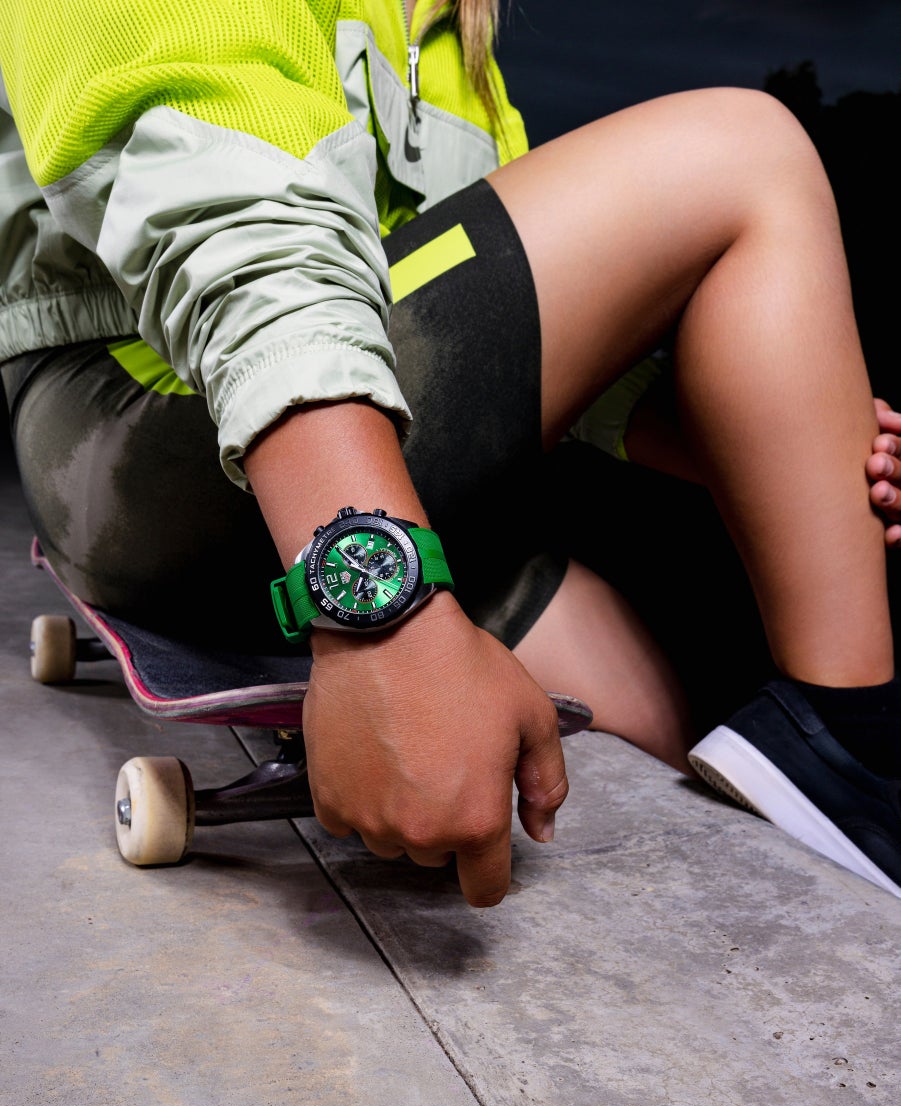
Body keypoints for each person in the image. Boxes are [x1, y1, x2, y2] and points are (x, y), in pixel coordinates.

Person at [1, 0, 900, 903]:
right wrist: (383, 626)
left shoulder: (454, 27)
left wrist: (779, 425)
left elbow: (502, 329)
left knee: (649, 729)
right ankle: (854, 735)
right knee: (743, 151)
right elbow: (236, 231)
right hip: (149, 422)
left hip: (348, 437)